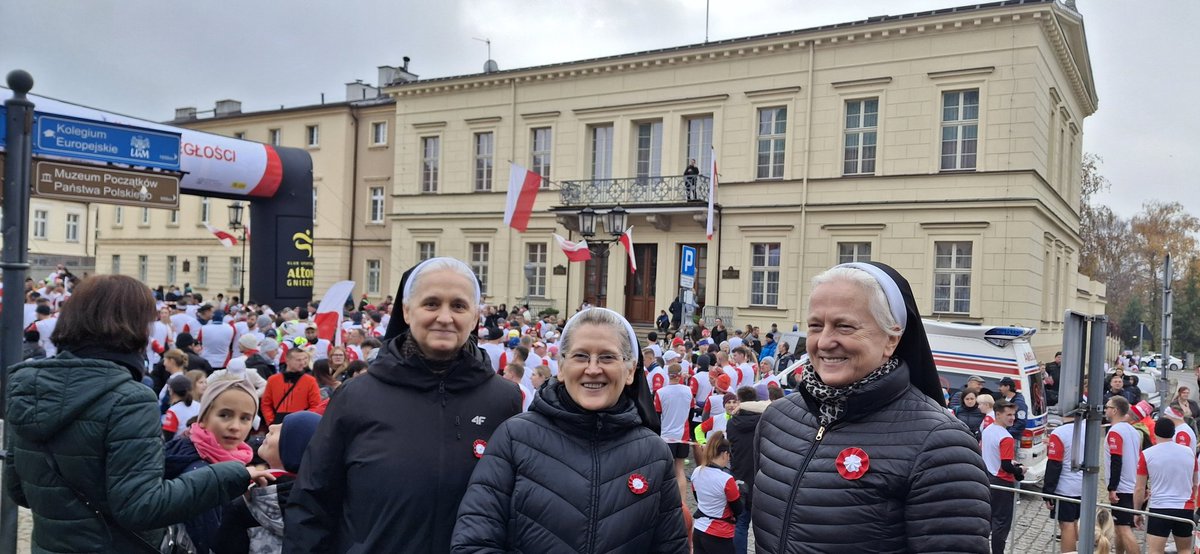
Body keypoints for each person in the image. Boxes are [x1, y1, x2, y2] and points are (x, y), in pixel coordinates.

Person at [5, 274, 273, 553]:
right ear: (132, 327)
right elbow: (142, 507)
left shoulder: (29, 387)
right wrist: (229, 475)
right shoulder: (130, 400)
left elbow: (19, 490)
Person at [287, 258, 522, 553]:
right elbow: (312, 504)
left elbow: (516, 510)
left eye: (459, 306)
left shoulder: (504, 400)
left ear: (475, 317)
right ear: (407, 311)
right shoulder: (356, 396)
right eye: (432, 304)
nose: (445, 317)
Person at [753, 262, 990, 553]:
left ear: (891, 339)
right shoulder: (777, 419)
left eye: (844, 326)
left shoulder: (942, 446)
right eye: (816, 326)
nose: (825, 341)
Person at [451, 307, 686, 552]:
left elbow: (671, 548)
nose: (593, 369)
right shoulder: (515, 438)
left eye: (607, 357)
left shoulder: (653, 453)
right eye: (581, 356)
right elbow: (474, 543)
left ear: (629, 371)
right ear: (561, 367)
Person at [163, 373, 262, 554]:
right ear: (204, 417)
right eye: (224, 415)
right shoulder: (198, 469)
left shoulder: (234, 459)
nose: (235, 426)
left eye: (245, 418)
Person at [216, 411, 322, 554]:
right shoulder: (323, 507)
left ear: (293, 450)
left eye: (283, 429)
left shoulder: (246, 503)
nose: (272, 427)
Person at [1135, 418, 1197, 554]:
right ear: (1173, 432)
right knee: (1185, 550)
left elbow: (1139, 488)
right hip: (1184, 507)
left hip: (1159, 507)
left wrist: (1137, 511)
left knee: (1155, 550)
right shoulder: (1189, 453)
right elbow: (1195, 483)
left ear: (1155, 432)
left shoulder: (1147, 454)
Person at [983, 400, 1024, 554]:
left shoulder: (988, 430)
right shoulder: (1006, 437)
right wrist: (1020, 471)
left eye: (1013, 415)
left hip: (987, 477)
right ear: (998, 414)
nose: (1012, 418)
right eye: (1008, 414)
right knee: (1001, 522)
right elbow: (1006, 466)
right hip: (1002, 482)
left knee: (987, 518)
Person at [725, 386, 763, 554]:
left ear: (740, 401)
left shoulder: (732, 423)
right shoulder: (764, 421)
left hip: (739, 475)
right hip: (760, 477)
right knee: (763, 528)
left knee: (740, 524)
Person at [691, 431, 742, 554]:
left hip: (698, 529)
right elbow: (738, 509)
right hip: (719, 534)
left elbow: (697, 497)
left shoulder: (696, 471)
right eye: (729, 455)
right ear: (725, 454)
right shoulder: (726, 479)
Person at [1043, 409, 1085, 553]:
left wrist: (1047, 491)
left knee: (1066, 525)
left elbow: (1054, 464)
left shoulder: (1059, 433)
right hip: (1082, 485)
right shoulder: (1087, 428)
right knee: (1074, 523)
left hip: (1065, 487)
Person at [1104, 396, 1142, 554]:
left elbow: (1116, 460)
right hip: (1132, 484)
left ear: (1115, 410)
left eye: (1107, 407)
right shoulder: (1133, 431)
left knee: (1124, 529)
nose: (1105, 409)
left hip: (1122, 487)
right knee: (1119, 528)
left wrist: (1112, 487)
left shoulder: (1115, 432)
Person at [261, 348, 322, 425]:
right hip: (277, 421)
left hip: (300, 422)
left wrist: (304, 421)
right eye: (298, 360)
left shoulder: (310, 381)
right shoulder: (273, 380)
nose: (302, 363)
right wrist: (271, 421)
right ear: (287, 360)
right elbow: (266, 403)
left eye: (304, 359)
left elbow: (316, 405)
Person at [996, 377, 1027, 441]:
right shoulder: (1003, 399)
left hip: (1011, 438)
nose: (999, 388)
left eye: (1001, 386)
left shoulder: (1019, 403)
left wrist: (1007, 433)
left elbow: (1021, 422)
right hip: (1002, 436)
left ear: (1007, 387)